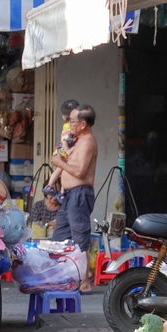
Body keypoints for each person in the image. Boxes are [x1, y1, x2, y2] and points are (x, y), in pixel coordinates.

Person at [50, 103, 98, 293]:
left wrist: (59, 162)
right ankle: (64, 277)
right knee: (60, 237)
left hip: (80, 194)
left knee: (79, 238)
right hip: (69, 194)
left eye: (72, 121)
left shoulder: (88, 142)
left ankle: (84, 282)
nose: (70, 125)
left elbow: (79, 171)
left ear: (83, 124)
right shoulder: (78, 140)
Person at [42, 99, 79, 201]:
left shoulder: (70, 125)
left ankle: (62, 192)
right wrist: (67, 150)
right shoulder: (68, 126)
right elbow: (64, 140)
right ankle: (49, 185)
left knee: (64, 172)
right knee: (60, 170)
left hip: (66, 152)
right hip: (63, 152)